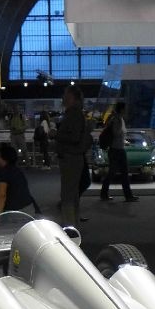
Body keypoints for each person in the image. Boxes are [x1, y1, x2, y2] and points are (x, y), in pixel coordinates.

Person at [55, 85, 92, 225]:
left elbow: (74, 137)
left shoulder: (73, 114)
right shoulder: (76, 113)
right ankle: (73, 227)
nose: (63, 97)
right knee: (73, 194)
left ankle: (69, 227)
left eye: (65, 94)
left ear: (71, 97)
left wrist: (57, 135)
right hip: (74, 157)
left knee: (67, 195)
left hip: (70, 158)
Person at [100, 100, 138, 204]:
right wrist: (121, 134)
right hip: (116, 150)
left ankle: (127, 195)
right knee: (115, 173)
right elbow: (116, 133)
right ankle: (107, 194)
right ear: (122, 109)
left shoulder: (119, 118)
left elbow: (118, 134)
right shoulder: (117, 119)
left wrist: (124, 141)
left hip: (119, 149)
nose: (127, 110)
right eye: (125, 108)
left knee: (121, 173)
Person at [0, 143, 38, 213]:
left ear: (3, 158)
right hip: (29, 207)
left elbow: (2, 195)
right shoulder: (17, 170)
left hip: (16, 211)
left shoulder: (4, 172)